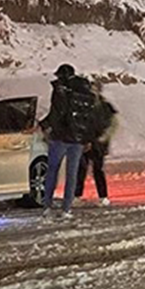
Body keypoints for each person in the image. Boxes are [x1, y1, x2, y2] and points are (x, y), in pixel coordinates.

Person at [38, 64, 98, 219]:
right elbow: (90, 118)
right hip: (78, 139)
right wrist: (88, 139)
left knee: (52, 170)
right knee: (72, 174)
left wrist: (43, 125)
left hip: (60, 138)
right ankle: (66, 209)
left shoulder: (61, 90)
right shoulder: (85, 91)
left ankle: (47, 206)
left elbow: (56, 113)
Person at [74, 80, 119, 206]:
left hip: (98, 144)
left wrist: (102, 139)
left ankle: (103, 196)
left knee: (97, 170)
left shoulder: (105, 107)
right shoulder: (82, 107)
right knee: (81, 169)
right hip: (85, 143)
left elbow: (112, 125)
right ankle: (77, 195)